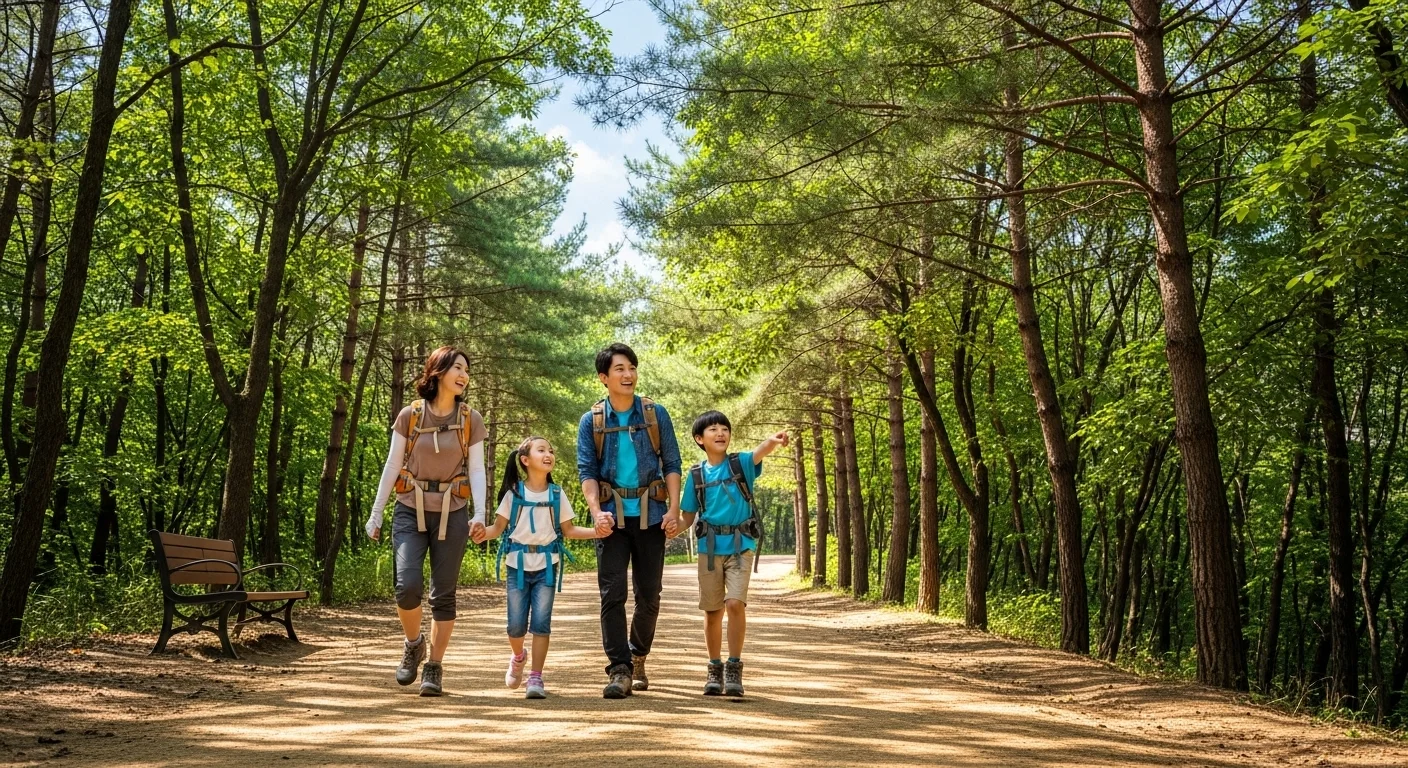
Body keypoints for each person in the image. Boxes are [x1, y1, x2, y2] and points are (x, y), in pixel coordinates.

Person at [364, 346, 487, 696]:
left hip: (453, 512)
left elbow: (477, 470)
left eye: (467, 369)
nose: (464, 375)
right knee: (407, 586)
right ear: (438, 371)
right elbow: (392, 464)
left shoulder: (471, 419)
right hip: (409, 508)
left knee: (443, 594)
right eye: (457, 368)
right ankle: (413, 644)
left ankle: (434, 666)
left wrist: (480, 513)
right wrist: (376, 512)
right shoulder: (411, 415)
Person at [576, 342, 683, 699]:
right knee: (612, 594)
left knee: (649, 595)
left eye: (632, 368)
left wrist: (673, 510)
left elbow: (672, 463)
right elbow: (587, 472)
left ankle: (638, 655)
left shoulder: (655, 414)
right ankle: (619, 668)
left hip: (652, 516)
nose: (628, 374)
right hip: (611, 519)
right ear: (603, 377)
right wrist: (596, 513)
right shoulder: (591, 421)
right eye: (620, 369)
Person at [475, 436, 612, 698]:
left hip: (548, 565)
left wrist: (597, 532)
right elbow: (497, 528)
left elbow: (568, 530)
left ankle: (536, 677)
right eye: (541, 450)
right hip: (517, 565)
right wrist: (482, 533)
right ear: (525, 460)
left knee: (541, 623)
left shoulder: (557, 494)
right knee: (516, 626)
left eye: (550, 450)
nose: (548, 454)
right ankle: (518, 656)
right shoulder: (514, 494)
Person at [680, 410, 788, 697]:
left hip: (741, 546)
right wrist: (666, 528)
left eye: (724, 428)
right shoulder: (696, 475)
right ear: (699, 439)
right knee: (712, 610)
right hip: (709, 549)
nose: (720, 433)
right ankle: (714, 668)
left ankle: (734, 667)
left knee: (734, 603)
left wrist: (773, 441)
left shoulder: (741, 464)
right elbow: (686, 517)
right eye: (713, 429)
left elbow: (760, 451)